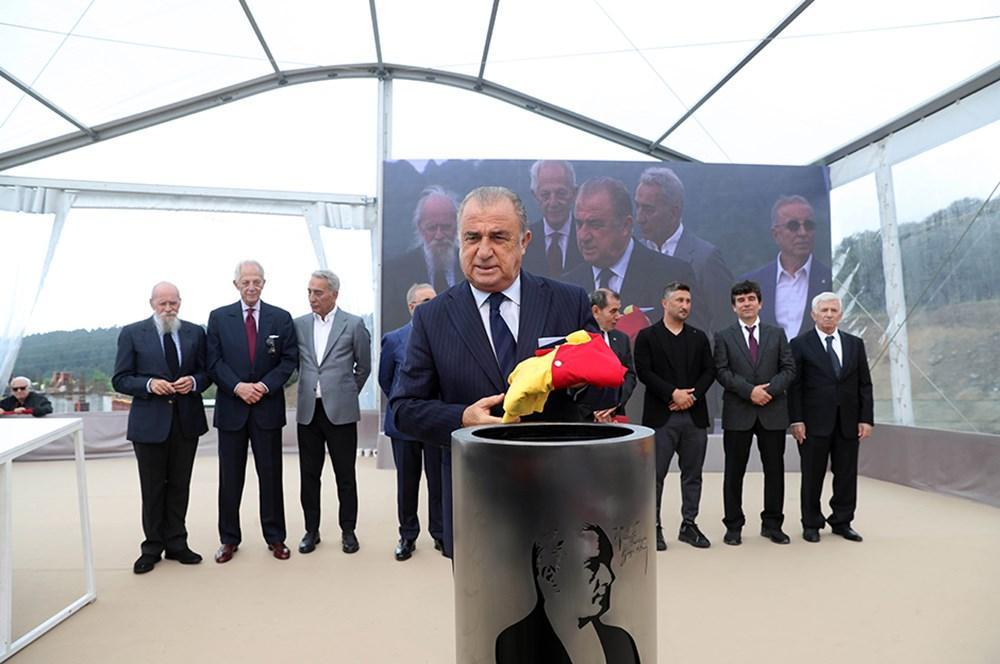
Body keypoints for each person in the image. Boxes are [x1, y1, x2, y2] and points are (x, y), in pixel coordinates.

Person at [390, 185, 596, 558]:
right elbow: (405, 408)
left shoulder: (568, 302)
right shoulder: (432, 317)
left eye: (498, 237)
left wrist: (579, 379)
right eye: (472, 237)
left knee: (562, 591)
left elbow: (606, 389)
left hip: (558, 493)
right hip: (474, 500)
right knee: (482, 596)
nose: (483, 251)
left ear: (524, 241)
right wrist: (462, 418)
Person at [112, 282, 211, 574]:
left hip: (186, 421)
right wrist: (149, 384)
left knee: (180, 486)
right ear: (152, 303)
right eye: (163, 303)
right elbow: (120, 379)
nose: (168, 309)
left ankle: (177, 544)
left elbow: (207, 373)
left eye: (173, 303)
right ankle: (152, 547)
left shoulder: (195, 332)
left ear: (180, 302)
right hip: (149, 425)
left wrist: (193, 382)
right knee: (153, 488)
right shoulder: (132, 333)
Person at [207, 260, 298, 563]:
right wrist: (237, 387)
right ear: (236, 284)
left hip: (266, 408)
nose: (251, 287)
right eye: (245, 282)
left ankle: (276, 537)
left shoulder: (280, 318)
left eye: (256, 281)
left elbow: (289, 361)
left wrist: (263, 386)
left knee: (270, 477)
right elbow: (213, 362)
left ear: (264, 283)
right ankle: (229, 539)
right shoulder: (219, 318)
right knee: (230, 479)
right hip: (232, 409)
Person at [293, 269, 371, 555]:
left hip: (341, 412)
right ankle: (311, 530)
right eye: (309, 291)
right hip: (308, 411)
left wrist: (346, 392)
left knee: (345, 475)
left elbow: (364, 367)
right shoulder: (299, 325)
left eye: (318, 292)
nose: (312, 297)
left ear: (334, 294)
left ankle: (348, 530)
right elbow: (295, 363)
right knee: (309, 475)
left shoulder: (354, 324)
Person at [634, 282, 715, 551]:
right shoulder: (647, 336)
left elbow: (709, 371)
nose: (685, 305)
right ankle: (654, 526)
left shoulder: (698, 337)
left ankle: (689, 525)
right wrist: (673, 393)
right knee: (655, 476)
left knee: (693, 475)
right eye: (679, 300)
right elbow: (644, 372)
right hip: (661, 417)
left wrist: (691, 396)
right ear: (664, 303)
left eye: (688, 301)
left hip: (694, 417)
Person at [714, 280, 796, 546]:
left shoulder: (777, 333)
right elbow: (722, 372)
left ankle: (772, 525)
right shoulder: (723, 336)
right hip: (738, 412)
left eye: (751, 299)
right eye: (741, 300)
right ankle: (733, 526)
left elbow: (789, 369)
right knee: (734, 472)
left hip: (772, 412)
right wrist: (749, 391)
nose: (746, 304)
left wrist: (768, 390)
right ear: (733, 307)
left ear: (760, 303)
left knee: (775, 471)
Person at [789, 292, 874, 543]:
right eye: (824, 310)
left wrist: (866, 418)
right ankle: (811, 523)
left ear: (841, 315)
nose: (828, 315)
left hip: (848, 422)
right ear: (813, 314)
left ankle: (842, 521)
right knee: (812, 475)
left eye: (833, 311)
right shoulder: (799, 344)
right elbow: (794, 387)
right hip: (813, 424)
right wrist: (796, 420)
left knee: (846, 475)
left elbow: (864, 384)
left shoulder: (854, 344)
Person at [562, 176, 701, 326]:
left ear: (625, 226)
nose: (583, 236)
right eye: (579, 224)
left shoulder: (672, 277)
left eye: (595, 224)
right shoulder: (568, 287)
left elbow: (693, 337)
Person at [495, 524, 640, 664]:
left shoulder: (621, 642)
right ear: (550, 575)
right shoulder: (515, 643)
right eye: (592, 566)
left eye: (607, 563)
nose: (608, 577)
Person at [379, 282, 444, 561]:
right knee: (407, 483)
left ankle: (440, 533)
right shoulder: (394, 339)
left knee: (438, 482)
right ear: (411, 307)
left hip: (436, 423)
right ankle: (407, 535)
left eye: (435, 300)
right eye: (426, 301)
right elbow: (386, 380)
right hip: (404, 426)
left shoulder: (446, 336)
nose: (432, 306)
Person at [634, 166, 734, 333]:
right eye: (637, 206)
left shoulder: (705, 259)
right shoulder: (636, 253)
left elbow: (724, 322)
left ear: (674, 212)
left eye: (648, 209)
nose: (639, 218)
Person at [740, 195, 832, 341]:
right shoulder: (751, 284)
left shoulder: (832, 280)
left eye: (808, 225)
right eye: (793, 226)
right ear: (775, 234)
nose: (803, 233)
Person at [382, 186, 460, 332]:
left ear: (457, 226)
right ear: (420, 227)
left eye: (446, 227)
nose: (439, 235)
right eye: (432, 228)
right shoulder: (396, 272)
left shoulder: (473, 267)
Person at [577, 288, 635, 423]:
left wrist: (615, 402)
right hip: (584, 419)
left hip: (615, 416)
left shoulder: (622, 339)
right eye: (613, 311)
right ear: (596, 311)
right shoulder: (578, 338)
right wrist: (596, 410)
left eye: (618, 311)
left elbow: (630, 375)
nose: (618, 316)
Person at [521, 160, 584, 278]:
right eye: (545, 194)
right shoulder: (523, 241)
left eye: (561, 193)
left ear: (574, 193)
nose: (553, 202)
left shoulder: (589, 237)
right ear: (535, 195)